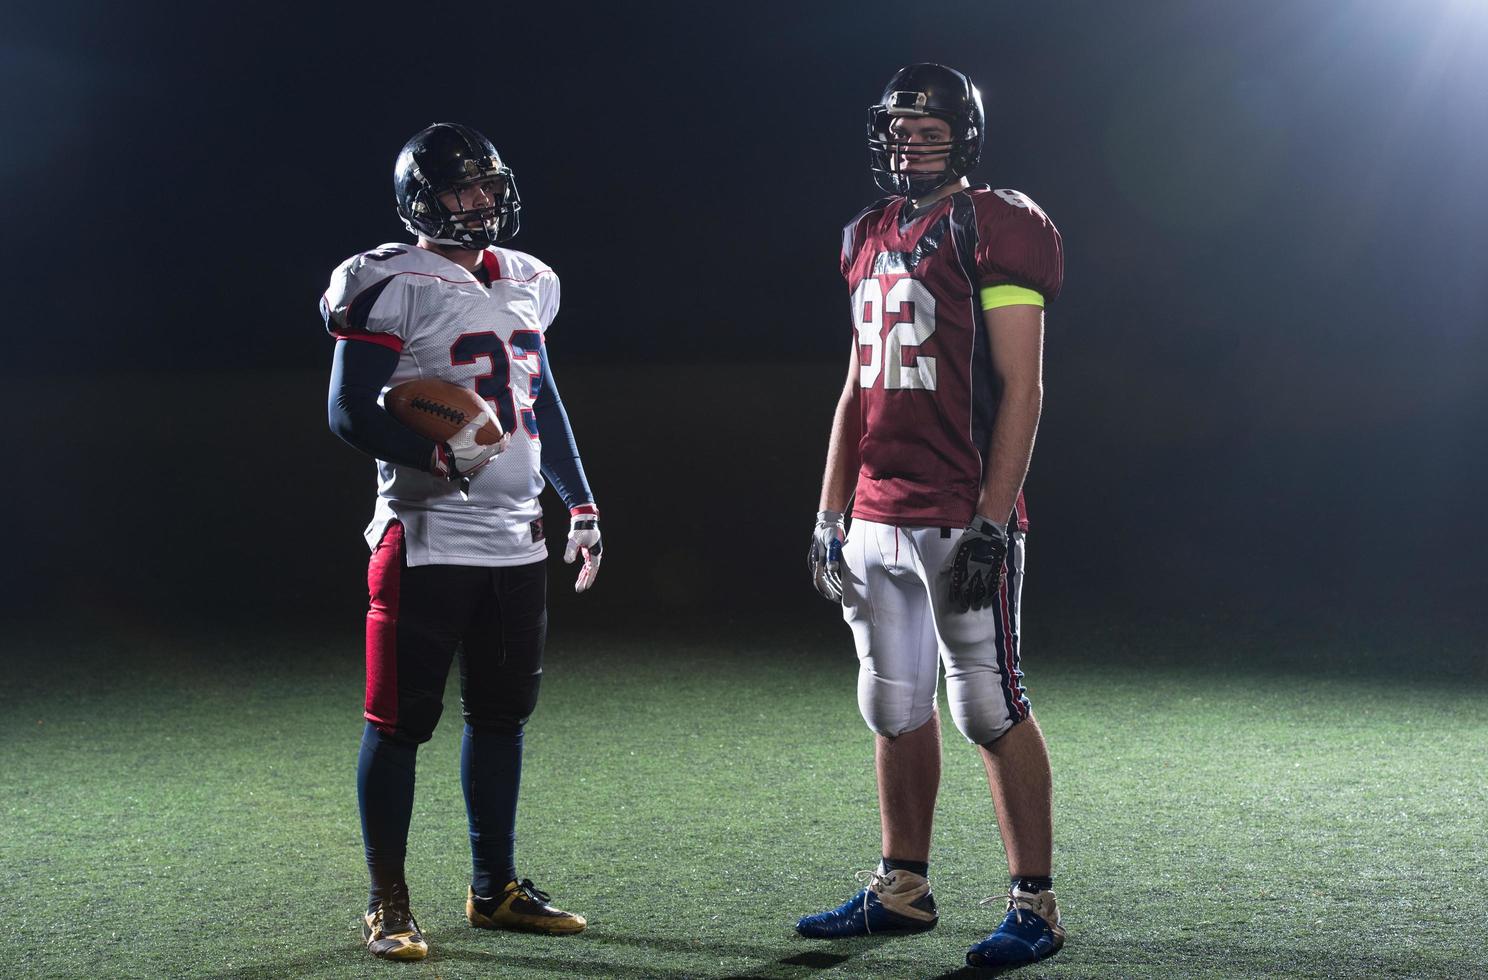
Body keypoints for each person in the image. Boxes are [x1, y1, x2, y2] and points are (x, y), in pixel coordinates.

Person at [798, 64, 1066, 971]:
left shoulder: (995, 225)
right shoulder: (866, 234)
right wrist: (830, 509)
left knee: (988, 703)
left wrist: (993, 521)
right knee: (892, 701)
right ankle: (901, 889)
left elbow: (1023, 387)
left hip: (958, 509)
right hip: (875, 510)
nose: (909, 140)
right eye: (897, 126)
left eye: (928, 126)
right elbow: (853, 388)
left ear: (965, 134)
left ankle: (1035, 906)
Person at [321, 122, 602, 962]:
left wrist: (580, 503)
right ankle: (388, 903)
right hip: (426, 534)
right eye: (462, 189)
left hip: (516, 540)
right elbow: (348, 411)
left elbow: (539, 397)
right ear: (421, 200)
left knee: (503, 717)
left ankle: (495, 889)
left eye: (488, 185)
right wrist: (437, 453)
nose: (481, 201)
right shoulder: (386, 279)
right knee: (400, 723)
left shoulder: (530, 279)